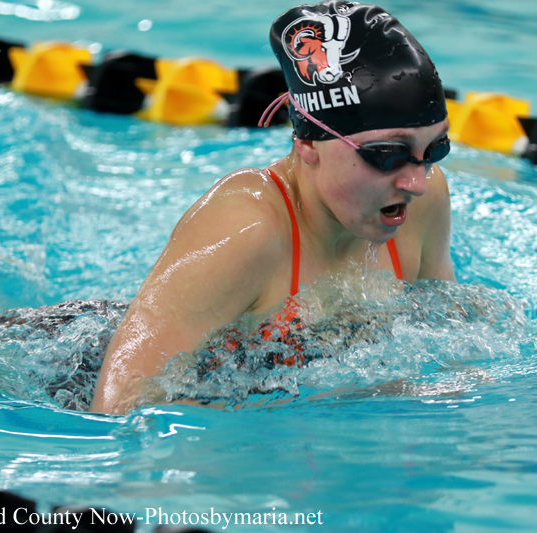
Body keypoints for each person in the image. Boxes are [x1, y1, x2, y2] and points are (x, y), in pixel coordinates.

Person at [90, 0, 455, 414]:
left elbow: (447, 338)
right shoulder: (245, 229)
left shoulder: (425, 202)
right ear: (308, 141)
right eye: (387, 154)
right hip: (76, 371)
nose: (416, 182)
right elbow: (119, 406)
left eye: (435, 149)